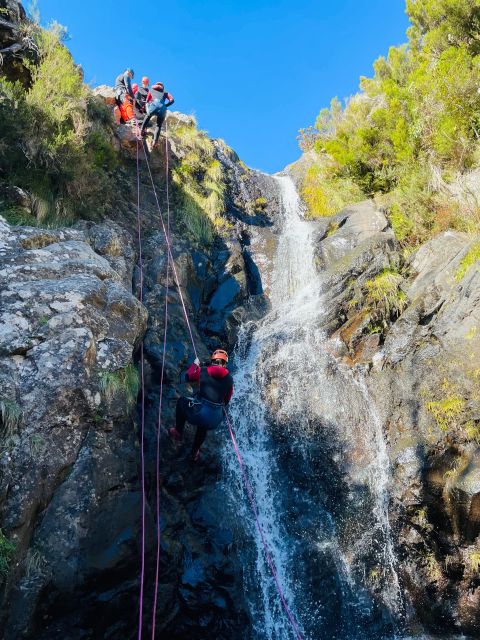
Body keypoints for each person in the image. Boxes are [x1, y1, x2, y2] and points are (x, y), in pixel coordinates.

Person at [169, 349, 234, 462]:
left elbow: (188, 377)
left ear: (213, 361)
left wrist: (195, 364)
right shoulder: (230, 380)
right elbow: (227, 400)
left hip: (200, 412)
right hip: (215, 419)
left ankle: (178, 432)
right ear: (224, 364)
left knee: (181, 402)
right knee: (203, 427)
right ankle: (194, 453)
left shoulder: (203, 371)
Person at [140, 81, 175, 148]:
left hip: (154, 105)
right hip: (162, 107)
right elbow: (172, 100)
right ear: (162, 86)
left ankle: (141, 130)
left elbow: (147, 100)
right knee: (158, 125)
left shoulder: (151, 89)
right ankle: (154, 142)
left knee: (148, 115)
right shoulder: (165, 91)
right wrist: (165, 105)